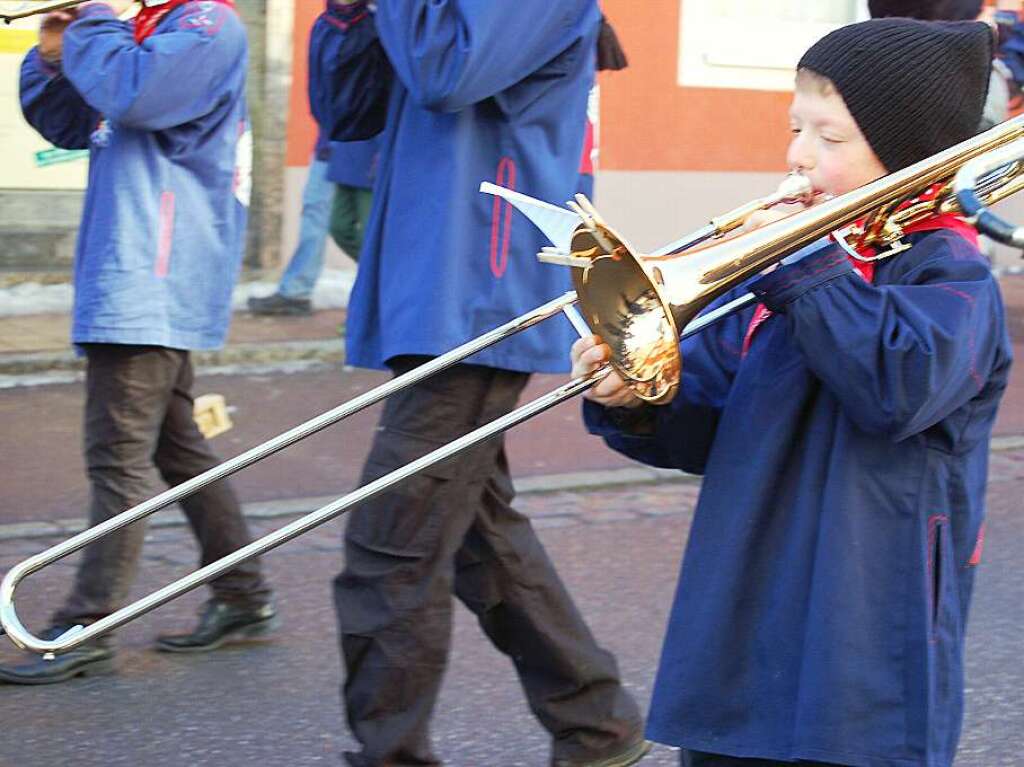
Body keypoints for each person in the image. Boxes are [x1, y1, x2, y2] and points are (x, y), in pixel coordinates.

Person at [572, 18, 1010, 767]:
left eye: (829, 138)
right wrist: (638, 394)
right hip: (742, 612)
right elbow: (701, 422)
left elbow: (897, 386)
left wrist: (803, 266)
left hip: (870, 631)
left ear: (908, 156)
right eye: (795, 127)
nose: (796, 156)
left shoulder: (953, 277)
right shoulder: (790, 276)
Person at [314, 2, 648, 766]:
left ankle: (390, 752)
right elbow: (347, 113)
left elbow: (444, 74)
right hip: (430, 287)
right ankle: (596, 720)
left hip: (477, 291)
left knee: (389, 548)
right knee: (474, 531)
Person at [0, 0, 276, 685]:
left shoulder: (206, 23)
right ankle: (244, 595)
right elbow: (65, 122)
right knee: (176, 449)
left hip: (150, 274)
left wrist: (94, 21)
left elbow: (137, 95)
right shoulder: (138, 32)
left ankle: (87, 626)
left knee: (116, 456)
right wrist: (53, 56)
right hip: (132, 269)